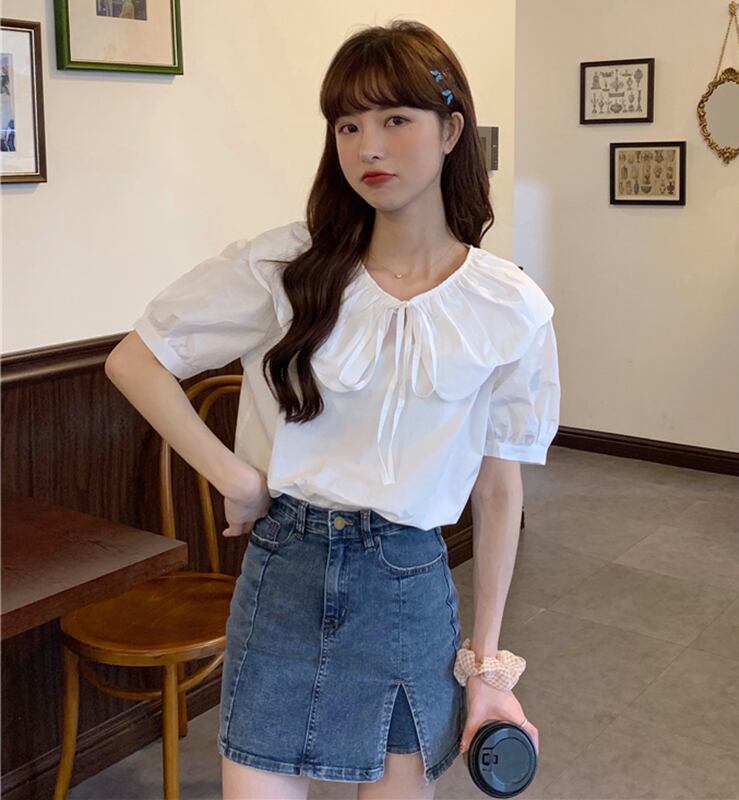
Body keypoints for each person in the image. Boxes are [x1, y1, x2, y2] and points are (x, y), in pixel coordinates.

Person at [106, 19, 559, 800]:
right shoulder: (288, 265)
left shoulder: (507, 306)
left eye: (395, 120)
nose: (368, 147)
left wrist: (487, 667)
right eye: (348, 126)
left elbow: (497, 488)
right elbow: (135, 360)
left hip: (407, 590)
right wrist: (236, 477)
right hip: (284, 574)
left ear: (452, 130)